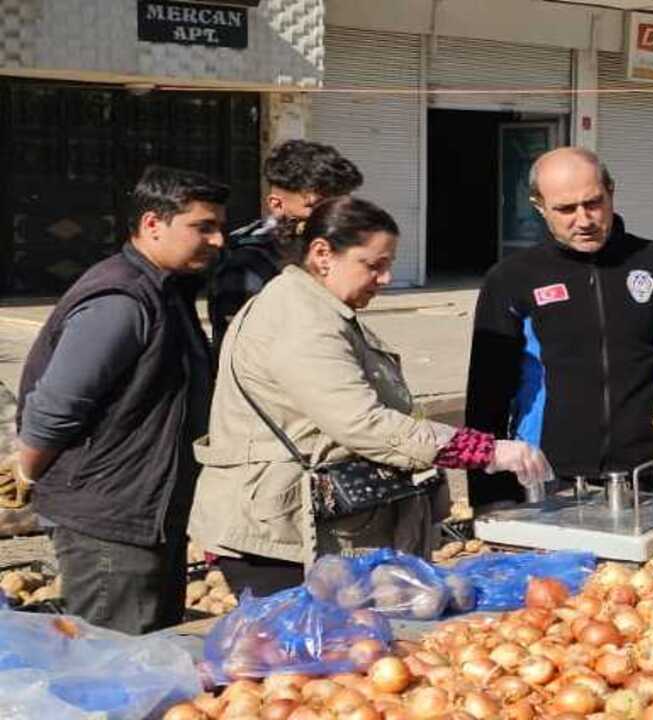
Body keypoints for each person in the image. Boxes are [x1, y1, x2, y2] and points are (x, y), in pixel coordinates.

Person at [188, 196, 549, 596]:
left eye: (388, 264)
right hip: (277, 536)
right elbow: (363, 422)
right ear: (323, 254)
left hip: (295, 521)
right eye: (373, 265)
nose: (386, 279)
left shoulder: (318, 309)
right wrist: (484, 451)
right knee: (302, 651)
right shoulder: (301, 321)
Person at [14, 166, 228, 634]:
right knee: (116, 659)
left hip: (145, 511)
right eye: (203, 227)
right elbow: (55, 406)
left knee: (151, 648)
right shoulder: (122, 299)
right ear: (153, 224)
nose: (217, 240)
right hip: (109, 520)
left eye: (219, 227)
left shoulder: (165, 289)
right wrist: (26, 470)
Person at [465, 147, 653, 508]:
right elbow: (487, 392)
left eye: (593, 203)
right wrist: (488, 497)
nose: (583, 220)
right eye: (565, 209)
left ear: (611, 191)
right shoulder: (512, 277)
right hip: (548, 475)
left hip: (646, 471)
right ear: (539, 205)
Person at [208, 139, 363, 362]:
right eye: (317, 206)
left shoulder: (322, 247)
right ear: (277, 205)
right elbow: (241, 347)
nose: (335, 217)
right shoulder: (247, 262)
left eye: (341, 205)